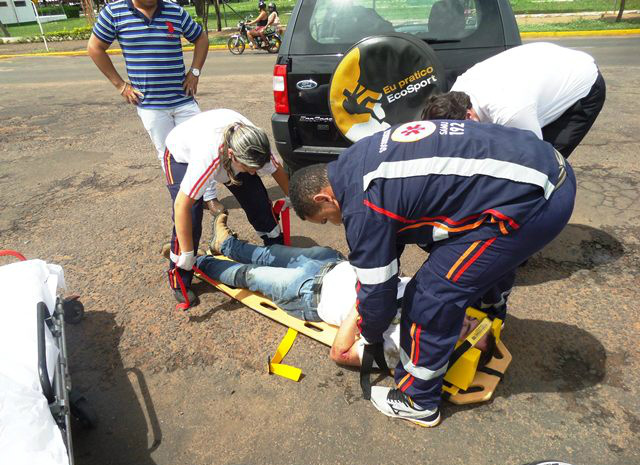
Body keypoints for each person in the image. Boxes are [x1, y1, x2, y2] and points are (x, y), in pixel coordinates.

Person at [288, 118, 576, 427]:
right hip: (544, 169)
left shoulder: (362, 205)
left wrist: (370, 334)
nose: (334, 224)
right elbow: (392, 239)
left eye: (325, 219)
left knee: (429, 297)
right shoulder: (358, 159)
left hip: (535, 202)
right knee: (474, 262)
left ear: (323, 198)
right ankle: (487, 314)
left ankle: (419, 401)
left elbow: (378, 290)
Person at [195, 213, 494, 369]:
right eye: (469, 322)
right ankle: (225, 244)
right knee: (267, 254)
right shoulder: (435, 303)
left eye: (464, 334)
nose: (461, 324)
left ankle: (195, 261)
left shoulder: (401, 351)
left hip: (308, 293)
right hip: (331, 262)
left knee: (248, 275)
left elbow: (340, 353)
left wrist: (364, 305)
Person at [87, 0, 223, 213]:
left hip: (183, 98)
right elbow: (95, 47)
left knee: (202, 146)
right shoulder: (114, 13)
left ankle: (209, 197)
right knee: (169, 155)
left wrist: (194, 72)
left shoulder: (174, 11)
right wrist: (121, 86)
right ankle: (183, 201)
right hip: (151, 105)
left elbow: (201, 38)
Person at [164, 109, 289, 308]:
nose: (253, 171)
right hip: (181, 155)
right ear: (232, 155)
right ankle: (179, 277)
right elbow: (182, 206)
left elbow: (277, 171)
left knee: (256, 199)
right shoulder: (207, 158)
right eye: (249, 167)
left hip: (228, 152)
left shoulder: (255, 145)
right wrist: (187, 253)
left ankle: (275, 248)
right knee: (193, 216)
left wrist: (291, 197)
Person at [422, 42, 606, 159]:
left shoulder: (510, 112)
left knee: (546, 160)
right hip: (542, 65)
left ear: (469, 115)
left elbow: (533, 155)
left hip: (582, 84)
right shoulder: (456, 93)